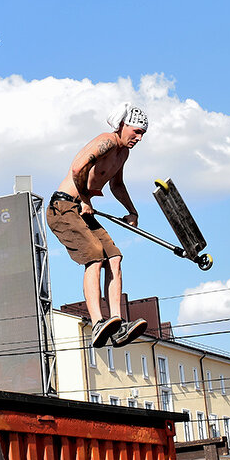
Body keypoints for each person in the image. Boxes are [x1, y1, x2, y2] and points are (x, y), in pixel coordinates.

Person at [47, 102, 150, 349]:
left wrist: (132, 211)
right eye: (135, 131)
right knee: (94, 255)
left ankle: (117, 323)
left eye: (143, 134)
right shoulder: (107, 141)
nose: (139, 137)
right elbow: (77, 167)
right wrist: (84, 198)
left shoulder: (123, 153)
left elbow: (117, 186)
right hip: (63, 207)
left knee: (114, 257)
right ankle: (97, 323)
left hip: (82, 209)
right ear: (122, 125)